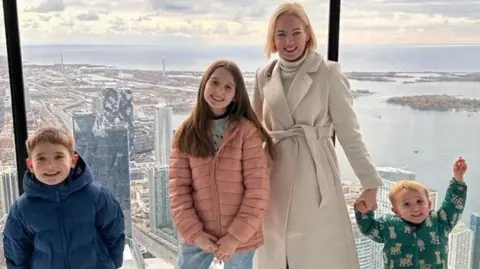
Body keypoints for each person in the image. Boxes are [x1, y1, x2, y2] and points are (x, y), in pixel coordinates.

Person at [251, 2, 383, 269]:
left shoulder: (328, 72)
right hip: (273, 177)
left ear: (308, 33)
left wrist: (369, 183)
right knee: (276, 253)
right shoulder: (263, 76)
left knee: (316, 256)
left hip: (315, 178)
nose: (289, 41)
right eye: (281, 34)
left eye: (296, 32)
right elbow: (253, 133)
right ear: (272, 39)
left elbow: (350, 133)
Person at [168, 60, 274, 269]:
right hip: (198, 235)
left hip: (241, 238)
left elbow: (257, 191)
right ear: (204, 85)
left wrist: (235, 237)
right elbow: (178, 190)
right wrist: (196, 233)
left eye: (228, 87)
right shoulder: (186, 133)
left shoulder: (247, 132)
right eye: (214, 82)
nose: (219, 91)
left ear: (236, 96)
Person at [3, 126, 125, 269]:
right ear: (30, 165)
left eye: (59, 156)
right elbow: (16, 250)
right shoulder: (22, 208)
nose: (50, 165)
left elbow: (115, 233)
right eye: (41, 158)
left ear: (73, 160)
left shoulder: (97, 196)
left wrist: (111, 264)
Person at [354, 157, 468, 268]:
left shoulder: (440, 222)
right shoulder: (388, 226)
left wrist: (458, 179)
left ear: (429, 204)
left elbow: (453, 206)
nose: (415, 208)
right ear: (396, 211)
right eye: (406, 204)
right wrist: (364, 210)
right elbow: (368, 227)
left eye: (419, 201)